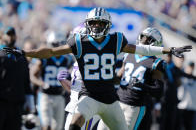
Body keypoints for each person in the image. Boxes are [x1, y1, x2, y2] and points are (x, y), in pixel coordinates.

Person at [2, 7, 192, 130]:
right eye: (93, 22)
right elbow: (51, 51)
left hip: (111, 100)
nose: (96, 26)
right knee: (73, 125)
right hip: (89, 96)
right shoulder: (79, 41)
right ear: (87, 24)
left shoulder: (116, 40)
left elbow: (141, 49)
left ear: (107, 25)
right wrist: (25, 53)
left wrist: (168, 49)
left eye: (100, 23)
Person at [97, 27, 166, 130]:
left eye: (148, 39)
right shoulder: (129, 54)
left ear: (155, 43)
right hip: (116, 102)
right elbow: (119, 78)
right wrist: (107, 76)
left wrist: (142, 86)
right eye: (143, 37)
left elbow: (159, 92)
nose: (143, 40)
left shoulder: (156, 63)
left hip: (134, 107)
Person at [30, 31, 73, 130]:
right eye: (54, 44)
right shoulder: (44, 59)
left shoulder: (67, 59)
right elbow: (32, 75)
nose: (55, 46)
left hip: (60, 96)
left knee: (57, 127)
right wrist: (42, 83)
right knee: (46, 125)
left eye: (57, 44)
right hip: (45, 95)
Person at [0, 27, 34, 130]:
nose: (11, 37)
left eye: (12, 34)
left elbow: (26, 80)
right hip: (1, 101)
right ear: (2, 36)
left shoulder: (20, 56)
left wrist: (30, 102)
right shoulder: (0, 54)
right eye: (8, 34)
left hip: (17, 103)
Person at [177, 62, 196, 130]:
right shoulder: (182, 78)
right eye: (189, 67)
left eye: (192, 67)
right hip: (182, 107)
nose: (190, 68)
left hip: (192, 109)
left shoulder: (194, 79)